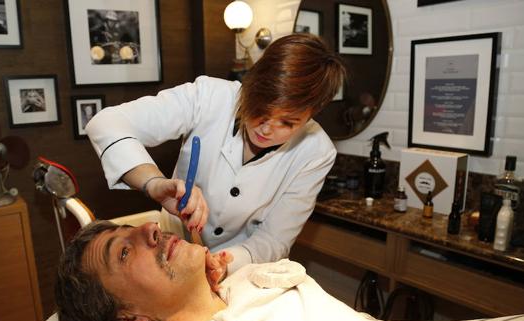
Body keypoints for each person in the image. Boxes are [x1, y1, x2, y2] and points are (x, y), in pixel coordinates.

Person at [85, 33, 346, 278]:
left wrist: (221, 262)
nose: (266, 129)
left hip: (243, 268)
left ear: (312, 114)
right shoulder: (209, 97)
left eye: (287, 123)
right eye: (261, 110)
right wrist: (153, 183)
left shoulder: (316, 151)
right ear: (252, 82)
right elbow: (106, 123)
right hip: (172, 249)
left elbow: (274, 239)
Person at [55, 220, 389, 321]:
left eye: (134, 228)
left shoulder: (250, 281)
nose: (151, 228)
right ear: (127, 320)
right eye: (124, 252)